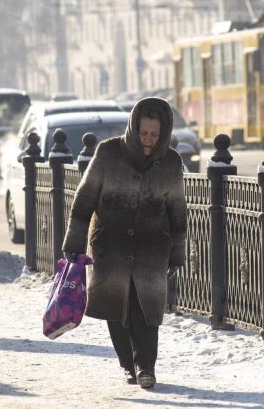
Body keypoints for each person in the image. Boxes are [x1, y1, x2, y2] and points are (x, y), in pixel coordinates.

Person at [61, 97, 187, 389]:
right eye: (144, 133)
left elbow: (178, 212)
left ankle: (146, 367)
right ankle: (128, 365)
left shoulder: (170, 162)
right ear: (134, 128)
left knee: (146, 310)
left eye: (155, 135)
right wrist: (75, 242)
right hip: (111, 245)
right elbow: (84, 200)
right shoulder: (108, 153)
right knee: (115, 307)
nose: (148, 140)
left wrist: (178, 252)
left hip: (151, 248)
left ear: (164, 133)